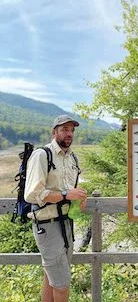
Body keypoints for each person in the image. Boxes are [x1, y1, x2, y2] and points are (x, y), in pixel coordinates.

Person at [24, 115, 88, 302]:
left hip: (66, 222)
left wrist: (79, 198)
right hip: (47, 224)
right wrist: (66, 195)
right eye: (64, 129)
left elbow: (69, 188)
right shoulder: (42, 155)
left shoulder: (71, 157)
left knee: (51, 278)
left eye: (71, 130)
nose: (69, 134)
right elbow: (32, 194)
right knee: (61, 284)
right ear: (54, 132)